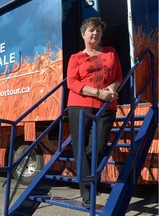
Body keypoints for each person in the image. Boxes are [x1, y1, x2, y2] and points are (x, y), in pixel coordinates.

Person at [66, 17, 123, 209]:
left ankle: (90, 179)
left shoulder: (111, 52)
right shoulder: (76, 58)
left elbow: (118, 77)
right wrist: (99, 92)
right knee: (80, 148)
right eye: (91, 30)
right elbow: (72, 82)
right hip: (80, 106)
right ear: (83, 34)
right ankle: (87, 193)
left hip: (107, 107)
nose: (95, 34)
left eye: (98, 31)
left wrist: (113, 88)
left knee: (96, 148)